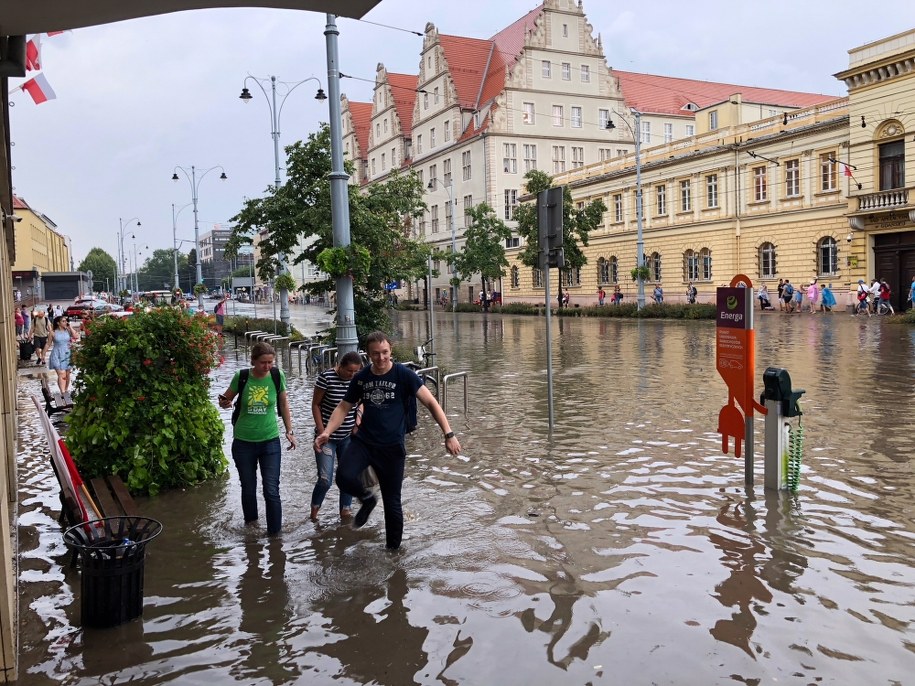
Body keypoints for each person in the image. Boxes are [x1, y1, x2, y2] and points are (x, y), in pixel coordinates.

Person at [315, 331, 462, 550]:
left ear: (390, 350)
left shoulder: (404, 375)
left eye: (385, 352)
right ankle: (367, 499)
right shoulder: (362, 377)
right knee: (343, 477)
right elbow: (344, 407)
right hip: (364, 443)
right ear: (368, 354)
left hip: (392, 448)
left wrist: (449, 434)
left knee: (393, 503)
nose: (381, 358)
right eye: (375, 354)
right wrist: (327, 431)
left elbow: (431, 403)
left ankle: (393, 554)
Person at [217, 342, 297, 536]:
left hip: (270, 441)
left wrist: (289, 431)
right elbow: (224, 399)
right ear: (253, 361)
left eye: (270, 362)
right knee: (248, 487)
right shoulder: (242, 377)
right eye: (263, 363)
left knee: (271, 489)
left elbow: (284, 403)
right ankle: (251, 528)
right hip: (243, 441)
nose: (267, 366)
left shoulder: (278, 376)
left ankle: (275, 536)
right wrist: (225, 403)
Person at [310, 351, 363, 522]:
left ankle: (345, 514)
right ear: (340, 366)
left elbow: (362, 404)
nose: (352, 375)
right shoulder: (326, 378)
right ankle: (313, 515)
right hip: (327, 438)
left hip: (347, 438)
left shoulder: (358, 380)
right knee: (325, 480)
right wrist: (321, 431)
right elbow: (316, 404)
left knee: (347, 476)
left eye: (356, 372)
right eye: (349, 371)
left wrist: (358, 422)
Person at [44, 315, 78, 403]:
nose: (65, 322)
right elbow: (48, 344)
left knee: (67, 374)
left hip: (67, 354)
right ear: (58, 323)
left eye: (66, 321)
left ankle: (65, 391)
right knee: (61, 374)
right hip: (57, 354)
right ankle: (62, 392)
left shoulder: (67, 330)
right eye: (63, 321)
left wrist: (70, 326)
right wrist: (42, 355)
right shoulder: (53, 332)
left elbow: (75, 336)